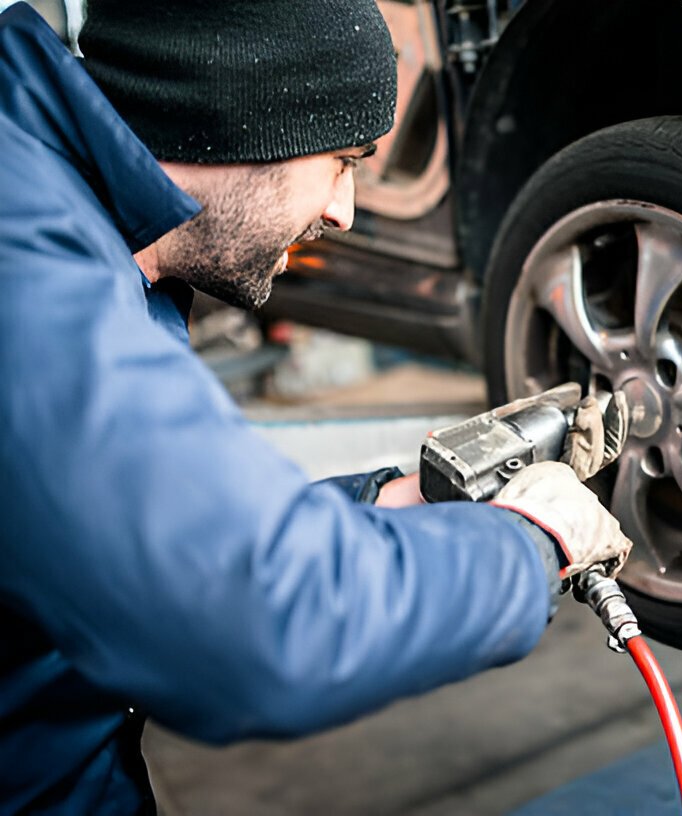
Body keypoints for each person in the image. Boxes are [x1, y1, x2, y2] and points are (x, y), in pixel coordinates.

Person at [0, 1, 633, 812]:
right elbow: (252, 629)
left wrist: (385, 504)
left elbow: (149, 540)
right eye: (343, 160)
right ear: (240, 116)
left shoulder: (97, 232)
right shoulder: (28, 275)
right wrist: (527, 546)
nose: (345, 211)